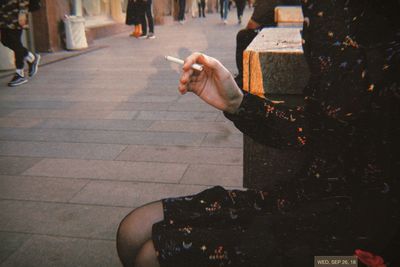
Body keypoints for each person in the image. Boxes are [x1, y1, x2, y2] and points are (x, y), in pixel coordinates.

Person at [116, 0, 400, 266]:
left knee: (150, 257)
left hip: (366, 246)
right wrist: (237, 103)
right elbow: (322, 129)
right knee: (133, 231)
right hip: (313, 196)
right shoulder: (326, 8)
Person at [235, 0, 299, 88]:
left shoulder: (266, 2)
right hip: (288, 33)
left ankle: (243, 76)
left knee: (243, 35)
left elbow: (252, 25)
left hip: (275, 37)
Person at [0, 0, 40, 87]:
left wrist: (22, 12)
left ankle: (20, 73)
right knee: (5, 41)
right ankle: (30, 57)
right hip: (4, 13)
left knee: (16, 41)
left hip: (15, 13)